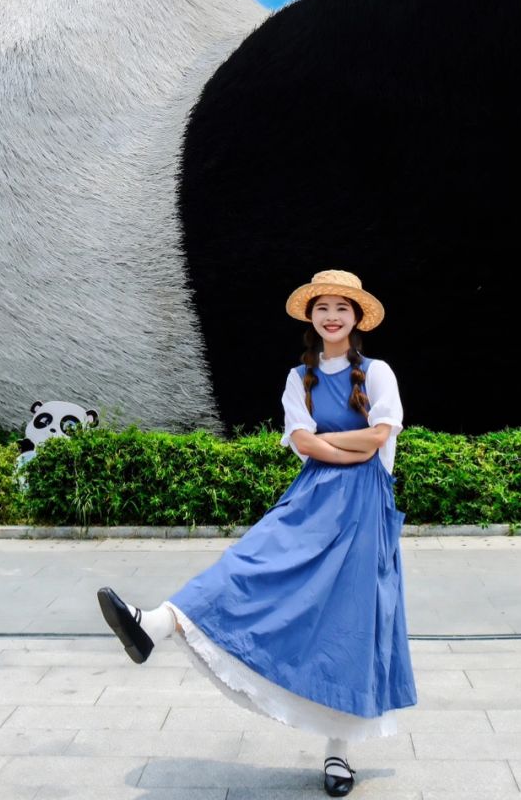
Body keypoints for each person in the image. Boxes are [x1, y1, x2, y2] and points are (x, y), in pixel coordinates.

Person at [97, 268, 417, 796]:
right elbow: (305, 443)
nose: (332, 316)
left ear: (358, 317)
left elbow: (381, 435)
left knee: (347, 623)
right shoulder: (299, 379)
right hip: (313, 498)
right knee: (250, 563)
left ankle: (337, 754)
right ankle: (156, 624)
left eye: (342, 307)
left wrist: (332, 448)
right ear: (311, 318)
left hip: (363, 512)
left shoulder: (378, 372)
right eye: (323, 308)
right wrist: (346, 451)